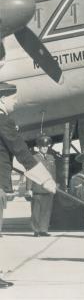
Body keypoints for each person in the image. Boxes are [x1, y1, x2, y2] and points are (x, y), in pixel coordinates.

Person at [0, 86, 56, 288]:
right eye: (13, 99)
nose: (15, 102)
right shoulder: (3, 121)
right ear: (3, 98)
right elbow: (22, 152)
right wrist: (46, 180)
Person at [26, 135, 56, 237]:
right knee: (36, 211)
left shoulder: (51, 158)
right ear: (38, 147)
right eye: (42, 146)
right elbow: (30, 173)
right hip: (37, 188)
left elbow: (53, 174)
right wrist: (29, 189)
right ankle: (36, 230)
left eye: (46, 146)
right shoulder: (34, 158)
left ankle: (44, 229)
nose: (45, 148)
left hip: (48, 188)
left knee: (46, 210)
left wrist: (54, 185)